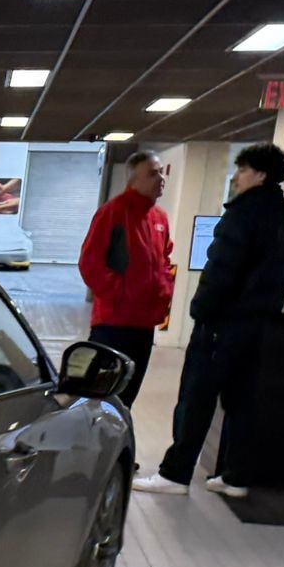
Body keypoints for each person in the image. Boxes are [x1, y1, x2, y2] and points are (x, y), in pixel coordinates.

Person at [133, 142, 284, 498]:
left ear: (260, 174)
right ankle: (235, 477)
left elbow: (222, 271)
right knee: (241, 401)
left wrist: (201, 310)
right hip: (258, 326)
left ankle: (175, 474)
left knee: (196, 398)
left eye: (242, 170)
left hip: (222, 325)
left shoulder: (242, 215)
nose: (236, 177)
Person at [77, 149, 173, 407]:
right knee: (102, 398)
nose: (161, 178)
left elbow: (164, 260)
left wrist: (164, 291)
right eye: (152, 174)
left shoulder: (159, 218)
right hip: (113, 326)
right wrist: (121, 295)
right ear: (133, 180)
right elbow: (90, 264)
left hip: (144, 326)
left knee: (126, 399)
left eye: (161, 172)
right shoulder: (113, 213)